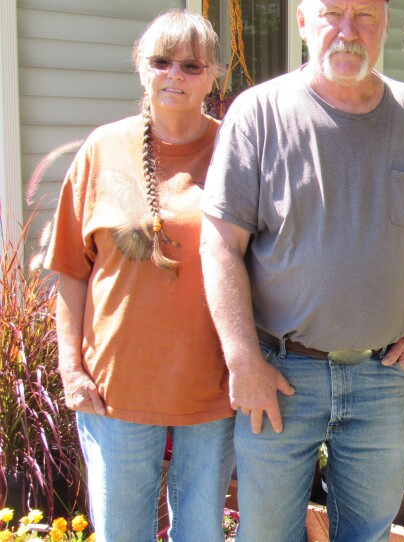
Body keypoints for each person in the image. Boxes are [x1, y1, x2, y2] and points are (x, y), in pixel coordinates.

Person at [199, 0, 404, 539]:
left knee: (366, 532)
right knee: (269, 534)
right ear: (302, 22)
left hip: (384, 376)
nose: (348, 31)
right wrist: (242, 360)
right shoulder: (258, 114)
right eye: (332, 14)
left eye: (365, 15)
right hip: (281, 374)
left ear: (385, 23)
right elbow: (220, 245)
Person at [45, 10, 235, 542]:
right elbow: (69, 269)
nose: (175, 74)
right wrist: (70, 370)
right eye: (161, 61)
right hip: (115, 389)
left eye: (192, 65)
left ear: (214, 73)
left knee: (202, 532)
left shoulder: (235, 152)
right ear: (141, 67)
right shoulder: (101, 150)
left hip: (213, 386)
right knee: (122, 533)